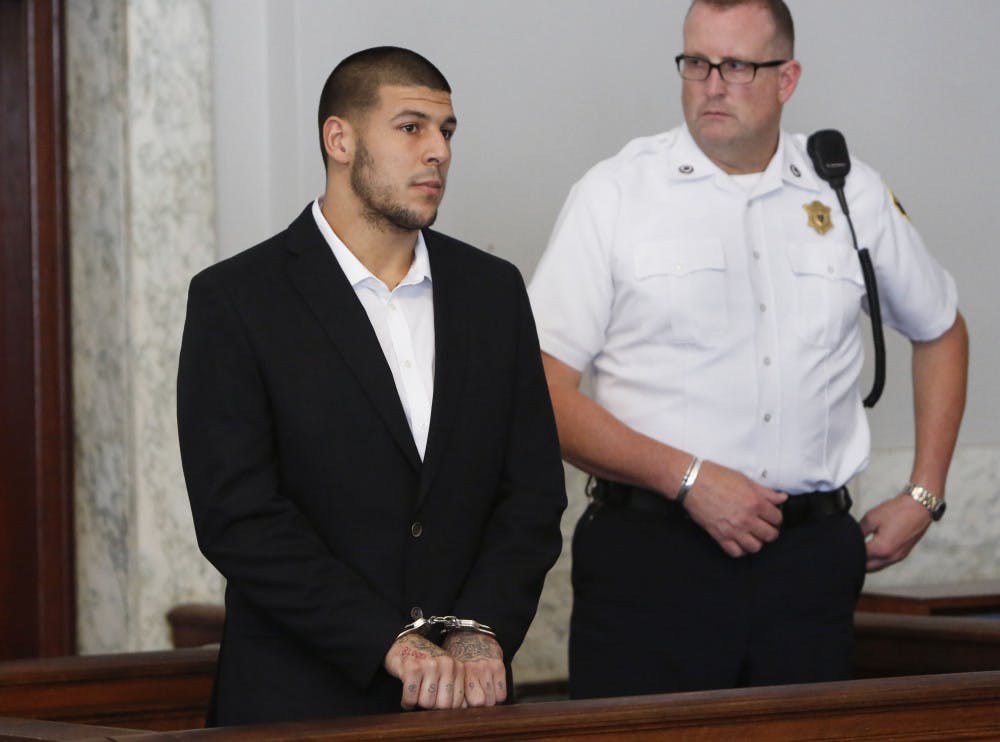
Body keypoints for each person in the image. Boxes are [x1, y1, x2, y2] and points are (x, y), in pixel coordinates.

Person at [528, 0, 968, 699]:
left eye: (736, 66)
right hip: (652, 558)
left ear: (787, 78)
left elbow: (941, 329)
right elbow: (539, 393)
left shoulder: (846, 189)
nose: (710, 83)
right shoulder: (616, 193)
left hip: (808, 562)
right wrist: (688, 477)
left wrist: (926, 492)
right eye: (695, 62)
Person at [177, 46, 566, 725]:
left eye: (446, 131)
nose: (437, 151)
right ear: (340, 139)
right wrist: (385, 641)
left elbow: (531, 494)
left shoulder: (491, 292)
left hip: (460, 709)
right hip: (293, 704)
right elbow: (238, 516)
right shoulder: (237, 299)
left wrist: (482, 627)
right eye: (411, 127)